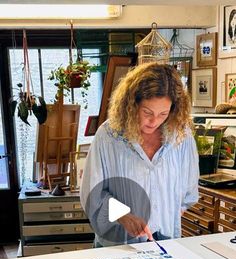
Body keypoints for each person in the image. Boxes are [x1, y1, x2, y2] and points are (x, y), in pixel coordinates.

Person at [80, 62, 199, 248]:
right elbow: (92, 193)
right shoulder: (109, 136)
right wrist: (123, 216)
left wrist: (165, 218)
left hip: (166, 242)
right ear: (132, 103)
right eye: (147, 112)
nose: (154, 121)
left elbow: (188, 192)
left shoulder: (181, 135)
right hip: (118, 244)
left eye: (163, 114)